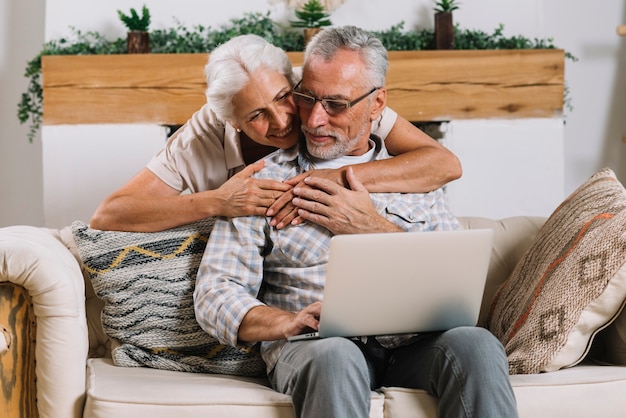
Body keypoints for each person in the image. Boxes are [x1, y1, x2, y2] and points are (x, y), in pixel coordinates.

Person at [194, 26, 517, 418]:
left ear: (376, 103)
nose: (313, 119)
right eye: (307, 98)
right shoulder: (264, 182)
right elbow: (215, 292)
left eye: (335, 104)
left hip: (416, 346)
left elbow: (453, 283)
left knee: (477, 344)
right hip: (318, 346)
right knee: (336, 355)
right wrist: (284, 322)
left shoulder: (417, 175)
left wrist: (372, 228)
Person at [89, 34, 461, 233]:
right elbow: (109, 214)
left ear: (292, 81)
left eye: (284, 97)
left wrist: (329, 178)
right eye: (256, 116)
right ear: (232, 121)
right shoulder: (204, 132)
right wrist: (217, 202)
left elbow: (443, 164)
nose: (284, 120)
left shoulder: (329, 104)